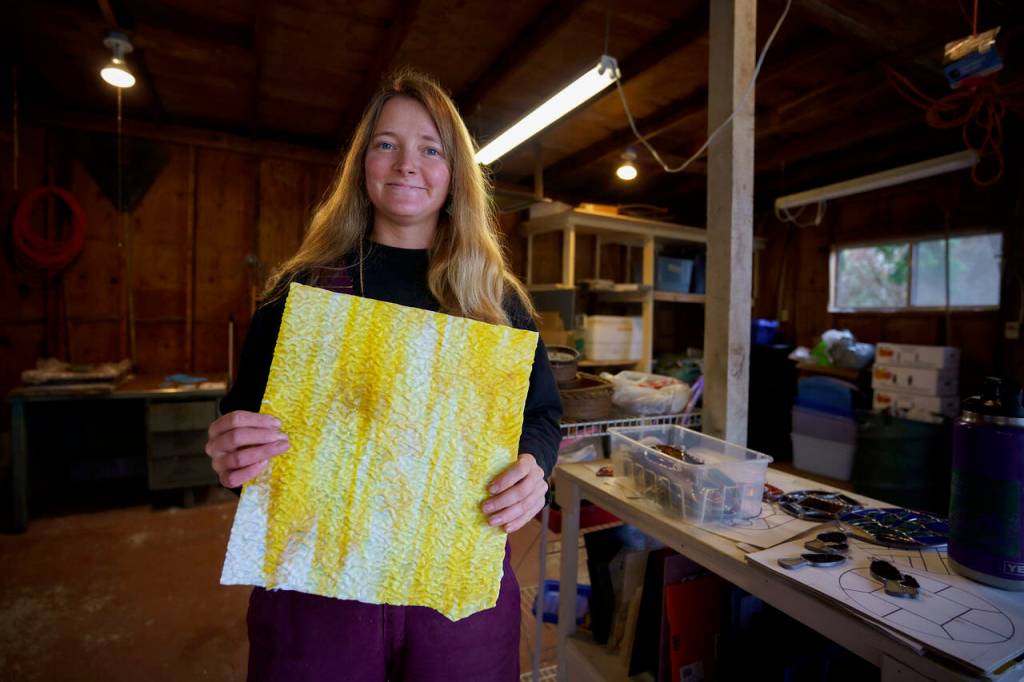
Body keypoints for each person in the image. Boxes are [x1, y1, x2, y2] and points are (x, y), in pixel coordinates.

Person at [204, 68, 562, 681]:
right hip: (318, 582)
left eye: (431, 149)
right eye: (386, 144)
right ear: (362, 164)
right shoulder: (301, 292)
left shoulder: (492, 300)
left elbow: (543, 414)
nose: (407, 165)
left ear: (454, 176)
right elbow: (243, 418)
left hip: (456, 580)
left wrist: (534, 468)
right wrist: (234, 453)